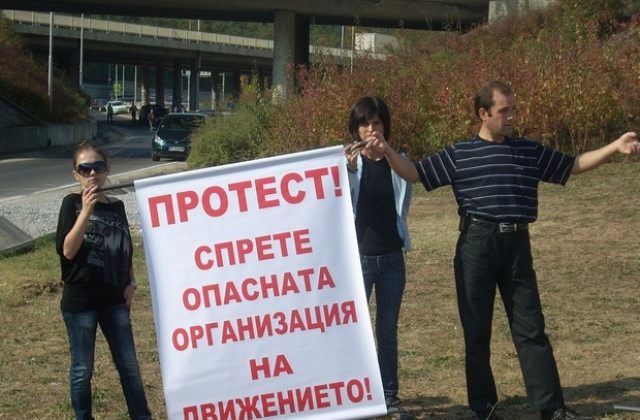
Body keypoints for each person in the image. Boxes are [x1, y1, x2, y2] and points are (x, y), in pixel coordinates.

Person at [367, 80, 640, 420]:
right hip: (476, 247)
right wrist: (388, 150)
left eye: (513, 109)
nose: (512, 116)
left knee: (531, 329)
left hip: (517, 247)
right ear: (483, 114)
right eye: (504, 110)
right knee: (476, 331)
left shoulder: (527, 150)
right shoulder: (460, 154)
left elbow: (574, 165)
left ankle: (551, 408)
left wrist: (615, 146)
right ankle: (485, 408)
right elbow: (415, 173)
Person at [55, 140, 153, 420]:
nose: (93, 173)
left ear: (107, 169)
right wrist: (86, 211)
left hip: (114, 301)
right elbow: (68, 250)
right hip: (80, 302)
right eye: (85, 169)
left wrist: (132, 282)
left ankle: (141, 416)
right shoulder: (71, 204)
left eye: (98, 167)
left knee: (129, 366)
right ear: (76, 174)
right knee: (82, 370)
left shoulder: (118, 206)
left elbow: (123, 248)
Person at [343, 96, 415, 420]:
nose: (371, 129)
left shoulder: (398, 162)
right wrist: (349, 169)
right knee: (353, 332)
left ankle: (389, 397)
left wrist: (388, 154)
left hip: (391, 260)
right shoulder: (347, 165)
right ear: (355, 129)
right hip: (358, 260)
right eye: (365, 124)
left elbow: (411, 182)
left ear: (385, 126)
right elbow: (339, 205)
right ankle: (352, 396)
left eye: (377, 123)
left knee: (387, 331)